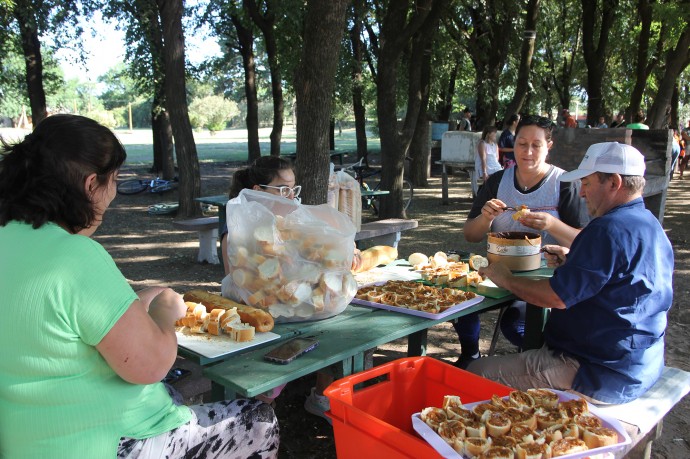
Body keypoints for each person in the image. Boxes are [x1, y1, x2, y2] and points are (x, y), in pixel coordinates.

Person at [0, 115, 279, 458]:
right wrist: (165, 313)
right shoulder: (74, 255)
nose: (114, 192)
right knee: (258, 418)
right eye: (114, 180)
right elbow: (151, 366)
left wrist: (132, 303)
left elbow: (52, 323)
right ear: (91, 185)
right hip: (101, 444)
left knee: (176, 396)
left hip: (25, 441)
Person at [468, 142, 673, 406]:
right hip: (640, 363)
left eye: (587, 183)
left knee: (474, 373)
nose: (583, 193)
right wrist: (572, 261)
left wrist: (505, 277)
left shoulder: (607, 229)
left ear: (614, 183)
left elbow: (555, 297)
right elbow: (623, 280)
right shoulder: (649, 224)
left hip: (597, 371)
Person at [219, 156, 360, 423]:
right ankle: (254, 416)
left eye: (294, 189)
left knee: (344, 339)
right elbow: (240, 282)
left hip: (302, 316)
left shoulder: (294, 226)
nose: (291, 197)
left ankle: (320, 396)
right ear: (258, 191)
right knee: (272, 366)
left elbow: (314, 266)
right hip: (261, 322)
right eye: (283, 190)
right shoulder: (238, 232)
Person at [454, 115, 589, 368]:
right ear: (512, 145)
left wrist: (551, 224)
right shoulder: (497, 181)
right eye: (521, 144)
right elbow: (471, 235)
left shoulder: (565, 183)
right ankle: (471, 354)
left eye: (536, 145)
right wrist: (485, 218)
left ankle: (536, 364)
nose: (527, 152)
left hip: (542, 279)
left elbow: (584, 241)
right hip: (495, 272)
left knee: (515, 324)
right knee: (459, 298)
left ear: (549, 146)